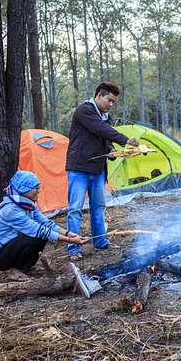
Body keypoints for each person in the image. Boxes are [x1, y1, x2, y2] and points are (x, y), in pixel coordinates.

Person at [65, 82, 139, 261]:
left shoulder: (105, 116)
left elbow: (103, 138)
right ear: (99, 95)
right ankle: (73, 247)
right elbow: (100, 129)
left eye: (114, 102)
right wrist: (125, 140)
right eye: (109, 100)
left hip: (97, 168)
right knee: (75, 208)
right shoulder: (85, 110)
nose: (111, 105)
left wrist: (113, 151)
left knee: (98, 207)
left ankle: (100, 241)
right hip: (79, 168)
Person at [0, 171, 87, 282]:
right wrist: (70, 240)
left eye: (39, 187)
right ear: (24, 189)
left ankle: (24, 266)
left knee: (41, 236)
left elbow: (45, 223)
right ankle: (16, 271)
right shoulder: (11, 210)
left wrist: (69, 234)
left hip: (11, 247)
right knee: (36, 236)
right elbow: (39, 230)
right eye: (36, 188)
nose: (39, 191)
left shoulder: (28, 203)